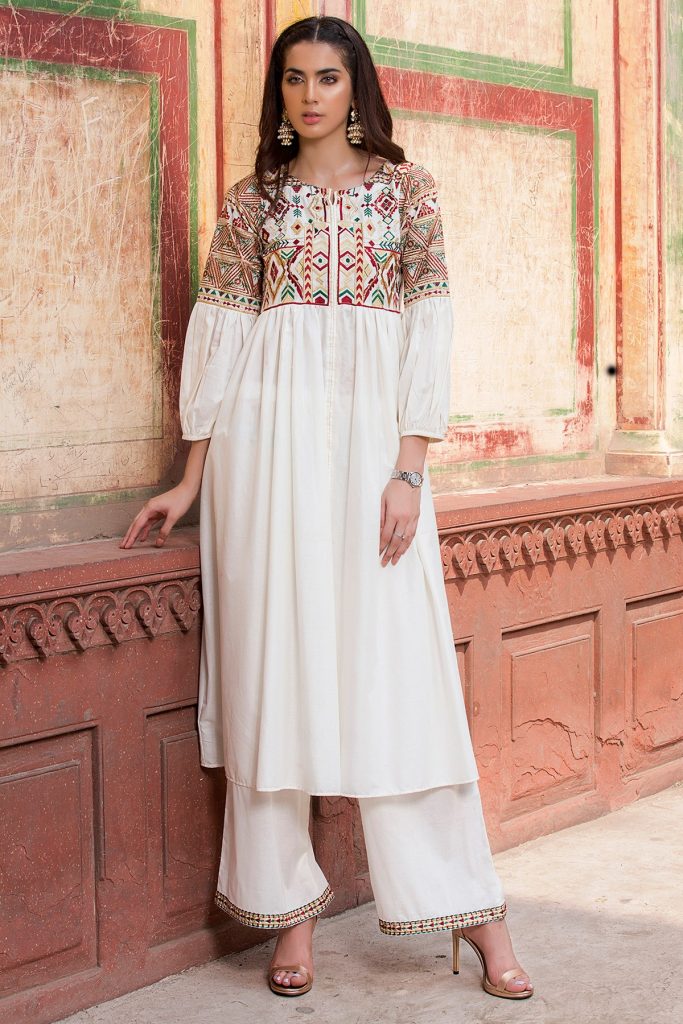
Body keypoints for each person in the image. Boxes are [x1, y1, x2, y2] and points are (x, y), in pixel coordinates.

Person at [121, 14, 533, 1001]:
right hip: (264, 456)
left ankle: (472, 909)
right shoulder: (253, 202)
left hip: (375, 458)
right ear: (281, 92)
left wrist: (408, 470)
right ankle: (288, 914)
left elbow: (428, 327)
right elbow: (222, 335)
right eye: (295, 78)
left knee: (401, 674)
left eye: (328, 78)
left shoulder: (407, 192)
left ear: (357, 89)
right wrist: (190, 476)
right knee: (277, 671)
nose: (310, 95)